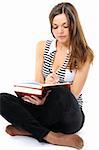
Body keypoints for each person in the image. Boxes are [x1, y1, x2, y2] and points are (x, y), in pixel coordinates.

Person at [0, 2, 94, 149]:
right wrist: (40, 92)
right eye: (55, 26)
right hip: (43, 109)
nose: (60, 31)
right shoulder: (42, 46)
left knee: (61, 92)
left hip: (69, 116)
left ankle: (29, 128)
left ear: (74, 25)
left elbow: (74, 94)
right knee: (2, 99)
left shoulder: (84, 54)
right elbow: (38, 82)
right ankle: (50, 136)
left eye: (65, 25)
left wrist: (53, 88)